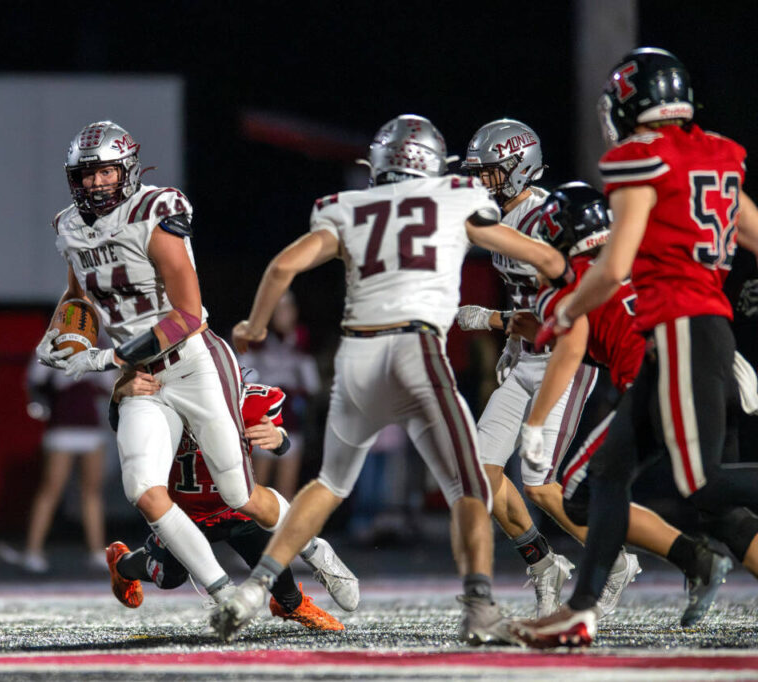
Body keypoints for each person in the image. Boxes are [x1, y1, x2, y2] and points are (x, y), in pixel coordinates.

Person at [212, 114, 573, 644]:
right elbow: (544, 257)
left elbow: (283, 268)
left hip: (358, 354)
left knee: (329, 484)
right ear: (433, 165)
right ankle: (478, 606)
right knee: (471, 485)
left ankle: (255, 588)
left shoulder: (347, 207)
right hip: (416, 350)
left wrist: (254, 325)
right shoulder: (451, 199)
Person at [37, 121, 356, 607]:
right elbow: (79, 293)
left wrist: (112, 357)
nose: (95, 184)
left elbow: (186, 314)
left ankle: (317, 549)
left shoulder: (156, 211)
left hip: (191, 360)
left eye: (104, 173)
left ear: (125, 169)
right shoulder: (70, 227)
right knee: (142, 488)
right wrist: (61, 329)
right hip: (142, 378)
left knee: (239, 495)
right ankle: (225, 597)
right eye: (85, 175)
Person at [513, 47, 758, 648]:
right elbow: (752, 229)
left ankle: (581, 606)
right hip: (687, 331)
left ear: (628, 104)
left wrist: (564, 311)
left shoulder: (640, 157)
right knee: (606, 474)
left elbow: (614, 262)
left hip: (679, 326)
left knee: (698, 484)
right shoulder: (715, 153)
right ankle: (581, 610)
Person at [520, 182, 737, 627]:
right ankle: (695, 560)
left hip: (656, 377)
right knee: (708, 491)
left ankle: (588, 603)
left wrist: (535, 423)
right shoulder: (638, 252)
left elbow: (574, 341)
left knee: (583, 487)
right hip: (708, 357)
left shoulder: (577, 278)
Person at [456, 119, 637, 618]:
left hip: (564, 355)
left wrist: (491, 320)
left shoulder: (549, 217)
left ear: (521, 166)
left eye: (492, 172)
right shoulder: (495, 213)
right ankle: (542, 563)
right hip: (524, 360)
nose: (485, 182)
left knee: (541, 486)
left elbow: (560, 311)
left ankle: (617, 558)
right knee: (478, 473)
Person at [107, 374, 345, 631]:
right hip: (185, 516)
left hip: (238, 507)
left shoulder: (246, 402)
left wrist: (278, 437)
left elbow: (277, 434)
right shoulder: (165, 403)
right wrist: (120, 395)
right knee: (167, 577)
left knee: (275, 556)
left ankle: (290, 603)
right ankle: (123, 564)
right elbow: (126, 422)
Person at [0, 355, 111, 573]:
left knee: (92, 491)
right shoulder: (51, 345)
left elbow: (111, 383)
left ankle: (96, 551)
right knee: (51, 489)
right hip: (62, 425)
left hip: (90, 425)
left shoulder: (99, 346)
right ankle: (33, 551)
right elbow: (34, 381)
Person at [239, 291, 320, 497]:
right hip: (263, 422)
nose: (283, 314)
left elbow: (313, 385)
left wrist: (295, 386)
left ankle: (282, 529)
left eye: (287, 309)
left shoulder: (301, 342)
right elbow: (241, 374)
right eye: (277, 310)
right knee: (258, 488)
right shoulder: (257, 341)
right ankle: (253, 528)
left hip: (290, 423)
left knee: (286, 489)